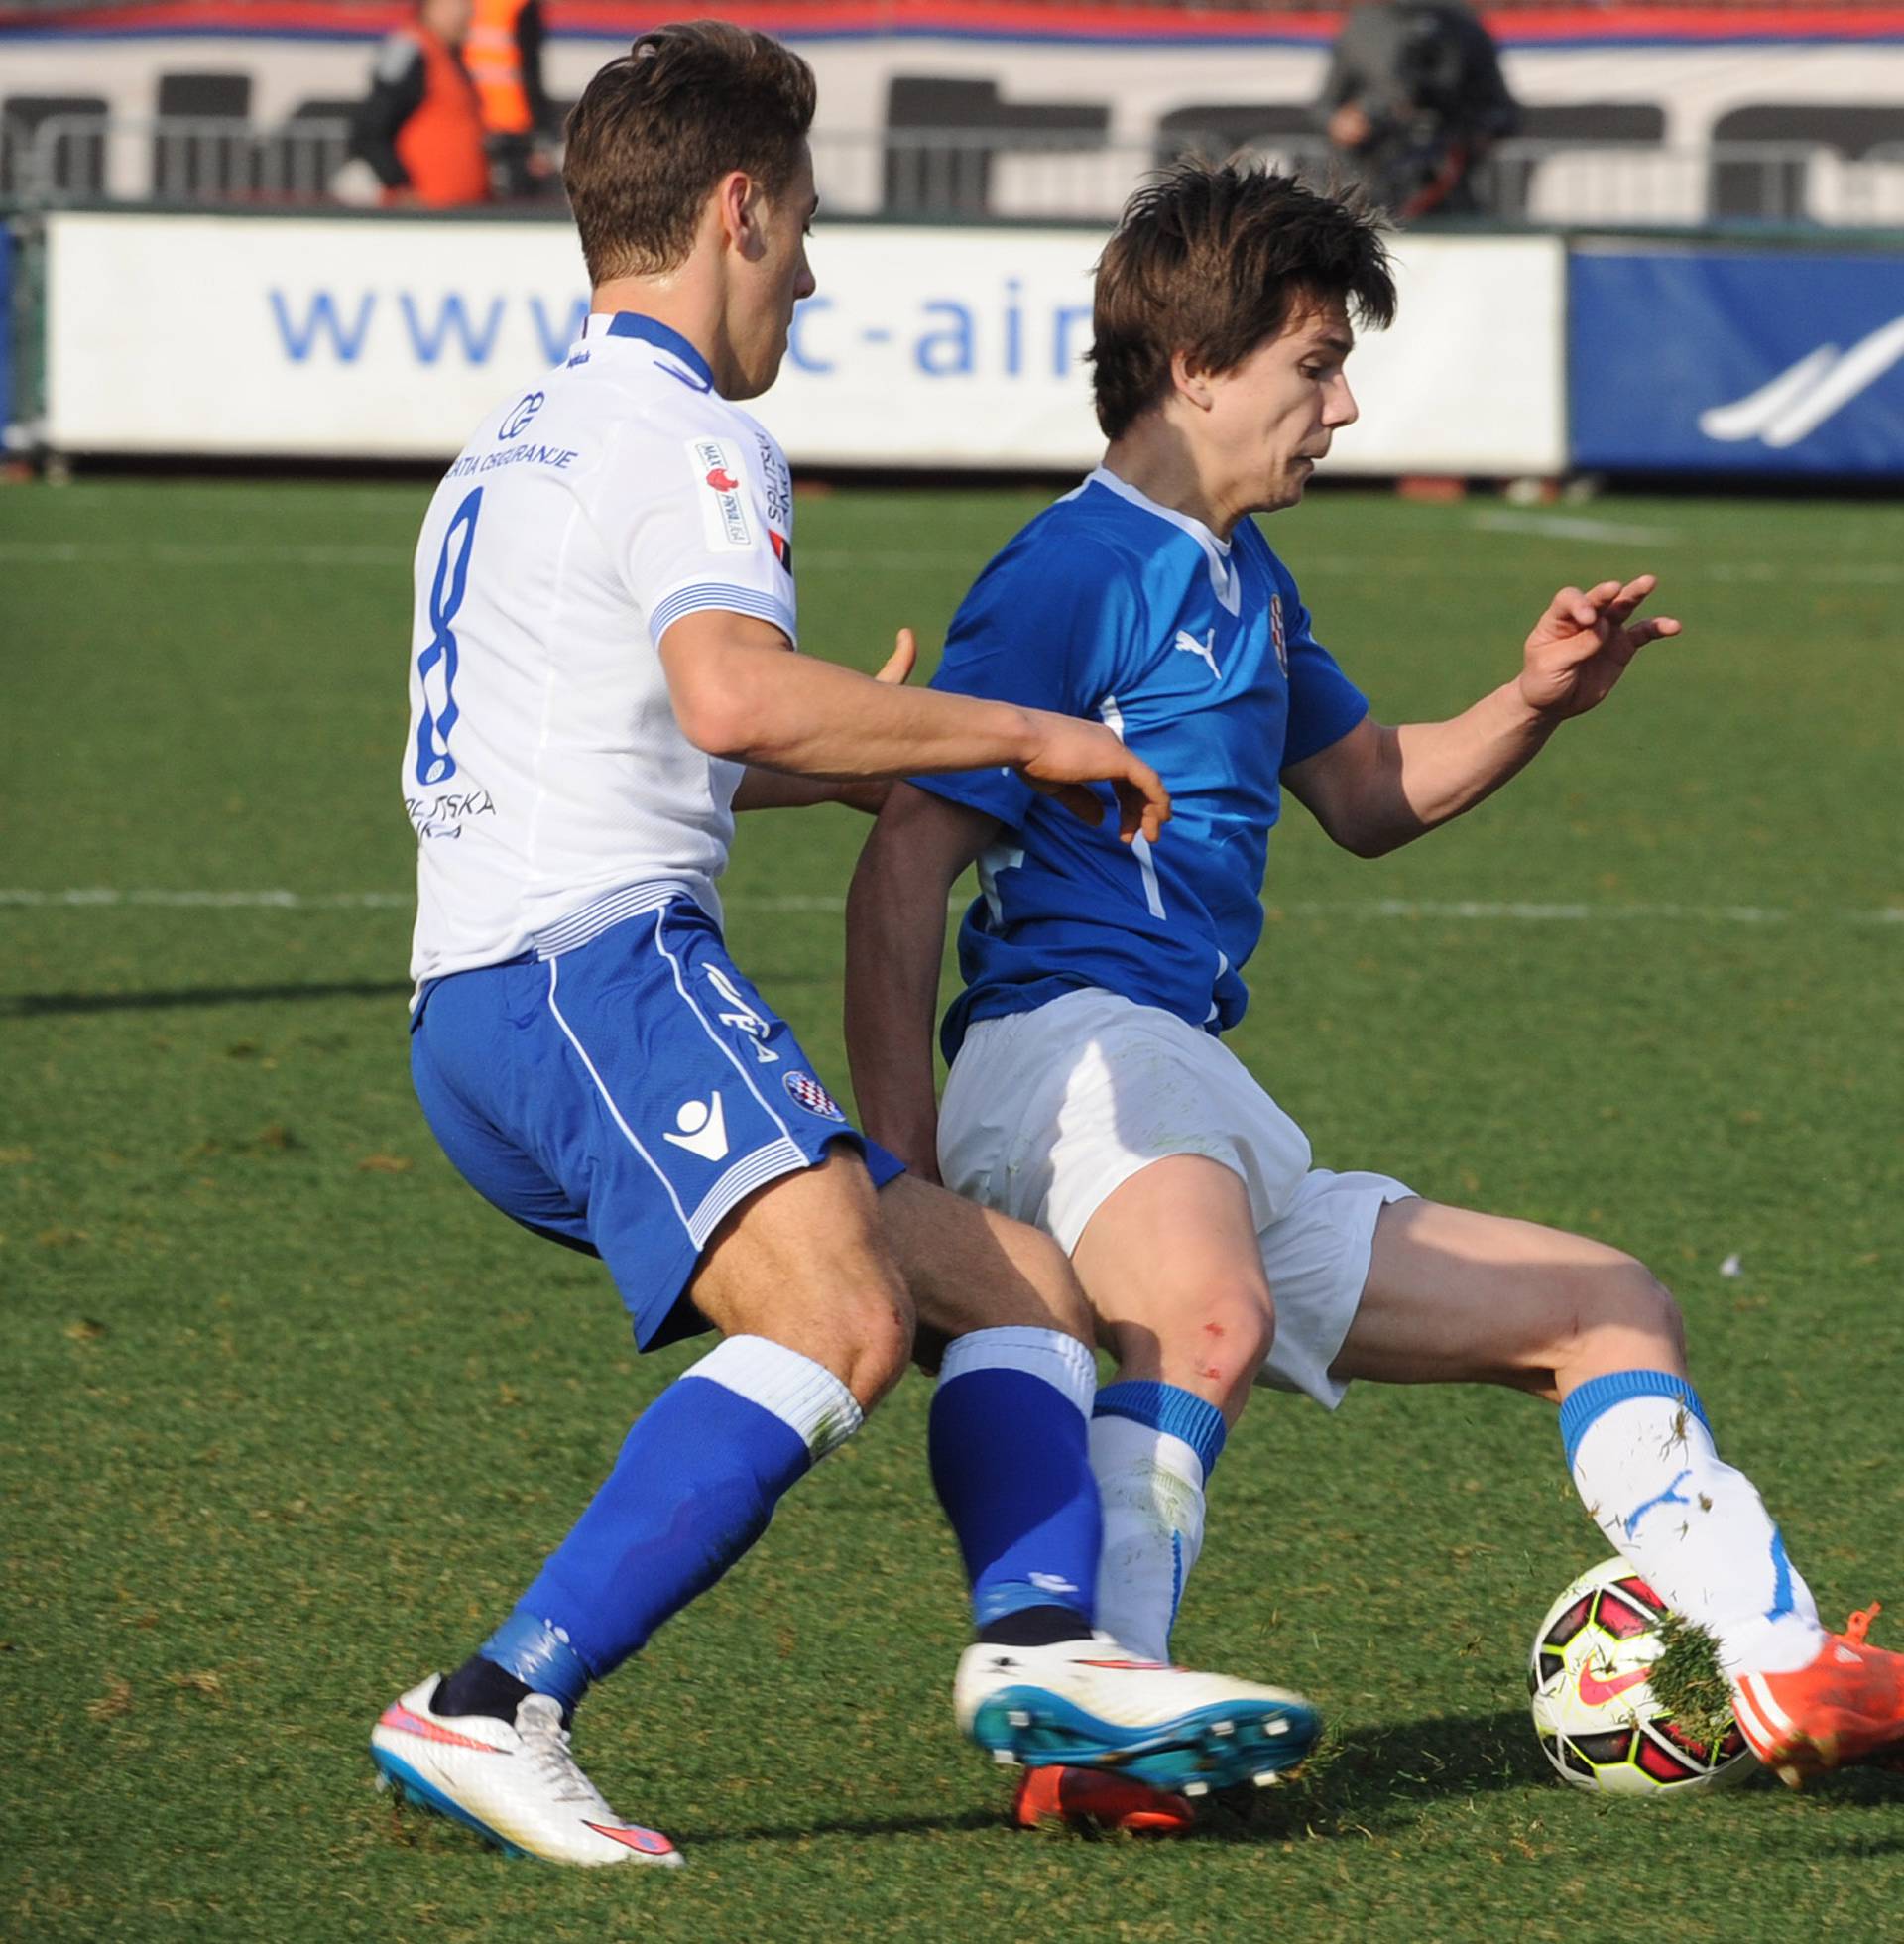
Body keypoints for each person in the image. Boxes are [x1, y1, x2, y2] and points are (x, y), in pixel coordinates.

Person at [844, 161, 1904, 1831]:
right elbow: (907, 856)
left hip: (1190, 1089)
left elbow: (1366, 792)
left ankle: (1781, 1657)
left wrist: (1538, 699)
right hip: (1069, 1059)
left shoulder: (1245, 577)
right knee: (1205, 1318)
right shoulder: (1072, 571)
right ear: (1196, 369)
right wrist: (895, 1166)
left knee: (1608, 1305)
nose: (1343, 405)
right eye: (1314, 364)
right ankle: (1096, 1716)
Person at [369, 29, 1318, 1870]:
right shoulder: (693, 428)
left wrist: (847, 733)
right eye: (800, 224)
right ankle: (497, 1699)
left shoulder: (517, 440)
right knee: (847, 1313)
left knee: (1022, 1288)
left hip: (497, 995)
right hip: (596, 975)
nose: (810, 272)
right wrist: (1016, 732)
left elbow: (645, 736)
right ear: (737, 208)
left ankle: (1053, 1648)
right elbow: (727, 698)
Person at [1317, 0, 1518, 219]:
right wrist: (1342, 122)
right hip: (1372, 184)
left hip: (1449, 193)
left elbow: (1504, 112)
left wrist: (1477, 133)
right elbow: (1324, 107)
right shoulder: (1362, 26)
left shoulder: (1466, 27)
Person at [336, 0, 490, 209]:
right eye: (456, 5)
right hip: (423, 213)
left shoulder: (451, 55)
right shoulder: (412, 50)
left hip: (461, 209)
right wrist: (399, 185)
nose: (466, 14)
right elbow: (370, 130)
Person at [466, 0, 562, 199]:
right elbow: (531, 72)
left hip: (483, 126)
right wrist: (542, 132)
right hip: (511, 126)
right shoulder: (519, 6)